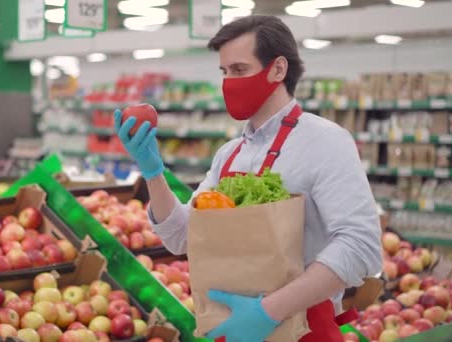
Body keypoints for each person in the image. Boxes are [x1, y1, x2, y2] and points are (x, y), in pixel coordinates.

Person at [114, 15, 382, 342]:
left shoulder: (325, 141)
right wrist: (154, 172)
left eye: (239, 70)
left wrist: (269, 311)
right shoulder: (229, 155)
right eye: (224, 72)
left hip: (303, 329)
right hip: (232, 326)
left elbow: (361, 246)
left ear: (278, 69)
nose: (229, 82)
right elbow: (182, 237)